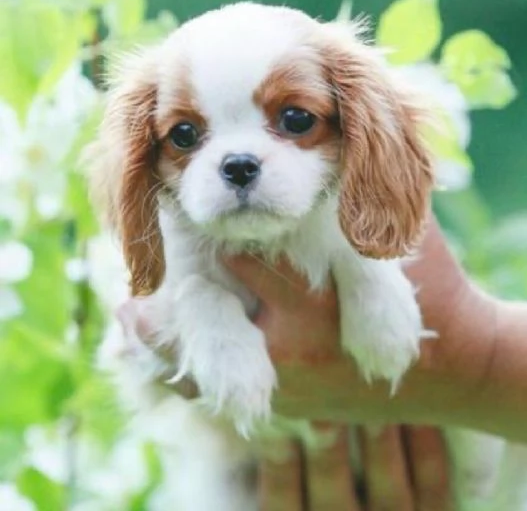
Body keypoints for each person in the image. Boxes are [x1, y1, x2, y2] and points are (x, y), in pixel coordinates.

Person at [118, 216, 527, 509]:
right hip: (245, 483)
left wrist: (478, 360)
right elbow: (137, 342)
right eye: (186, 136)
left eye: (297, 122)